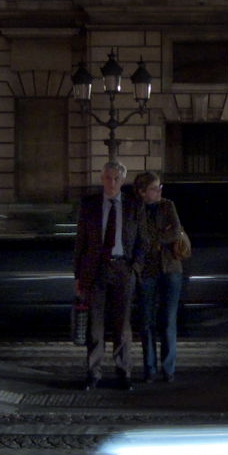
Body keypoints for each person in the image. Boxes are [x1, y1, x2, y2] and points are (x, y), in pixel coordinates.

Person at [74, 160, 142, 390]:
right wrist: (78, 276)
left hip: (123, 268)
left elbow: (143, 240)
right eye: (107, 178)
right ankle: (93, 373)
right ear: (102, 179)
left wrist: (135, 267)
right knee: (95, 325)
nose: (111, 183)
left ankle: (124, 372)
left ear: (122, 180)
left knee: (122, 325)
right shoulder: (90, 205)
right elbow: (80, 242)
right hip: (96, 269)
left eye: (116, 178)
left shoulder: (133, 206)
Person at [132, 171, 185, 382]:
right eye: (155, 188)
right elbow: (139, 237)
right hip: (147, 270)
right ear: (142, 192)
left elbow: (176, 232)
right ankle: (149, 368)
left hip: (171, 268)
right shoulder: (136, 209)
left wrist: (154, 240)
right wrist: (159, 237)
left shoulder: (167, 205)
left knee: (168, 320)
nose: (159, 191)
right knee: (146, 321)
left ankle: (168, 368)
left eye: (160, 187)